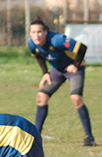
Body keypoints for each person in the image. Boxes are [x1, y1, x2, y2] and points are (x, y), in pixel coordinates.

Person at [27, 17, 94, 146]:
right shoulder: (31, 44)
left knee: (76, 98)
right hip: (57, 70)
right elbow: (38, 57)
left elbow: (82, 48)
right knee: (42, 97)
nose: (37, 35)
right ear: (30, 33)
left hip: (74, 69)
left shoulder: (57, 40)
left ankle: (89, 137)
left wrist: (75, 64)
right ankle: (36, 136)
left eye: (39, 32)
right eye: (33, 32)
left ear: (46, 31)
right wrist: (45, 73)